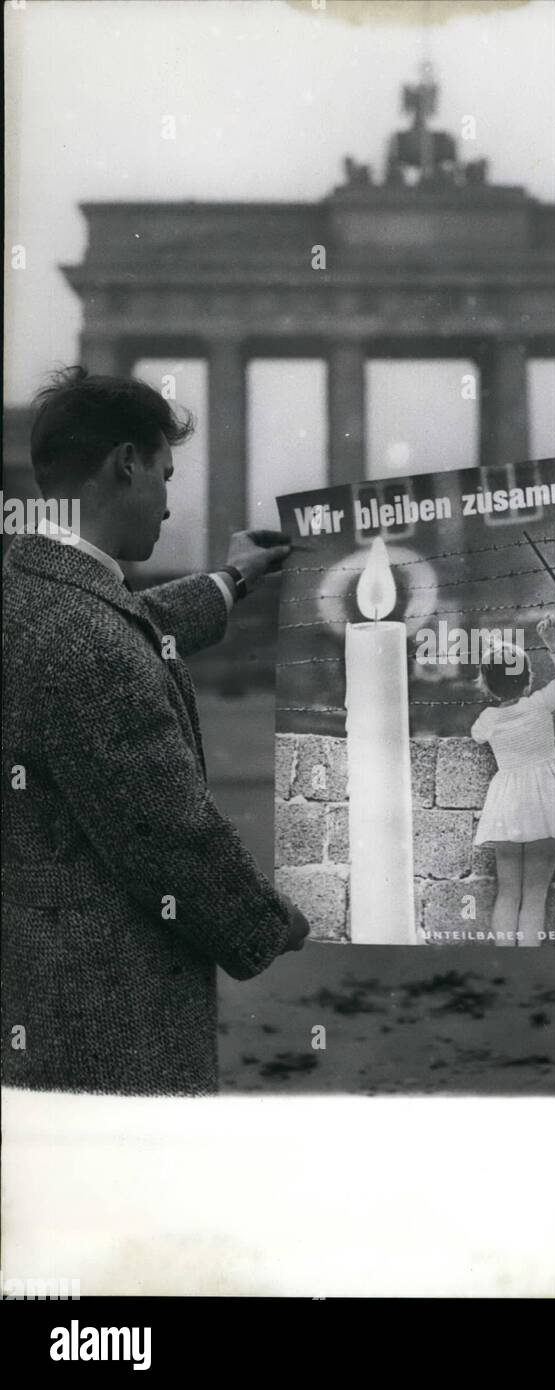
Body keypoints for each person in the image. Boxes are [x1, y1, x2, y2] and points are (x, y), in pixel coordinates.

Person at [2, 366, 310, 1097]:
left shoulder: (31, 588)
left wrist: (231, 579)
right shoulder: (90, 641)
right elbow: (165, 833)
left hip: (39, 981)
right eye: (165, 475)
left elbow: (141, 628)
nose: (171, 504)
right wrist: (267, 922)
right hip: (111, 1009)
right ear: (126, 463)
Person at [471, 614, 555, 946]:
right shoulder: (539, 705)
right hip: (546, 801)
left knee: (508, 892)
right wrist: (553, 642)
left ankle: (505, 956)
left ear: (487, 686)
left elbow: (477, 736)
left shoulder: (487, 720)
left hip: (507, 804)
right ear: (528, 681)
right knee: (535, 894)